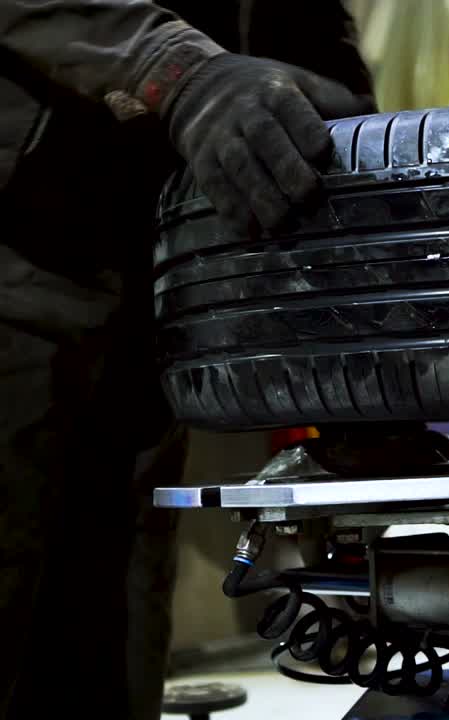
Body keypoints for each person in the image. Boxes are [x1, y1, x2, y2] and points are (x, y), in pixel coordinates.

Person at [0, 2, 375, 717]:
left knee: (110, 631)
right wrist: (176, 71)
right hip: (20, 234)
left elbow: (317, 48)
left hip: (164, 265)